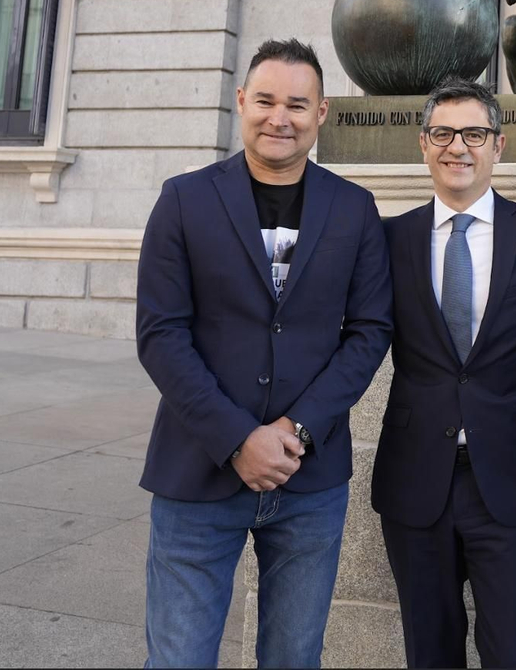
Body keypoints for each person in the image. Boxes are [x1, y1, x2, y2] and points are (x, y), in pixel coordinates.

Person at [135, 38, 393, 669]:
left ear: (322, 113)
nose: (282, 117)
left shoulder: (354, 209)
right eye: (268, 101)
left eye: (298, 105)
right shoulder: (183, 200)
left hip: (310, 479)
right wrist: (236, 437)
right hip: (197, 472)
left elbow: (369, 331)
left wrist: (294, 429)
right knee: (178, 660)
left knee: (293, 658)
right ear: (243, 101)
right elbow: (160, 335)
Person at [371, 77, 516, 668]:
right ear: (423, 144)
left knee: (515, 655)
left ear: (499, 145)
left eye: (474, 132)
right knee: (430, 653)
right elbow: (354, 339)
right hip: (416, 477)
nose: (457, 146)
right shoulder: (389, 239)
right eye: (442, 133)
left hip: (509, 479)